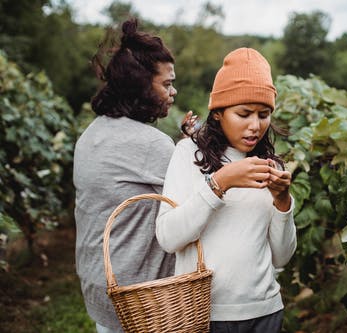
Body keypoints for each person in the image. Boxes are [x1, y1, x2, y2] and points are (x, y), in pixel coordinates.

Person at [156, 47, 297, 332]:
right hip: (203, 313)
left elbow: (282, 256)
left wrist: (283, 202)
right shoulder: (188, 154)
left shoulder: (270, 165)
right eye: (243, 113)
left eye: (264, 114)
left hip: (265, 311)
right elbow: (168, 238)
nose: (255, 126)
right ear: (218, 113)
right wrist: (220, 183)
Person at [73, 18, 178, 333]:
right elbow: (196, 198)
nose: (174, 91)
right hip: (138, 299)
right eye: (167, 83)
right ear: (142, 84)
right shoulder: (150, 143)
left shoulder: (92, 133)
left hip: (99, 284)